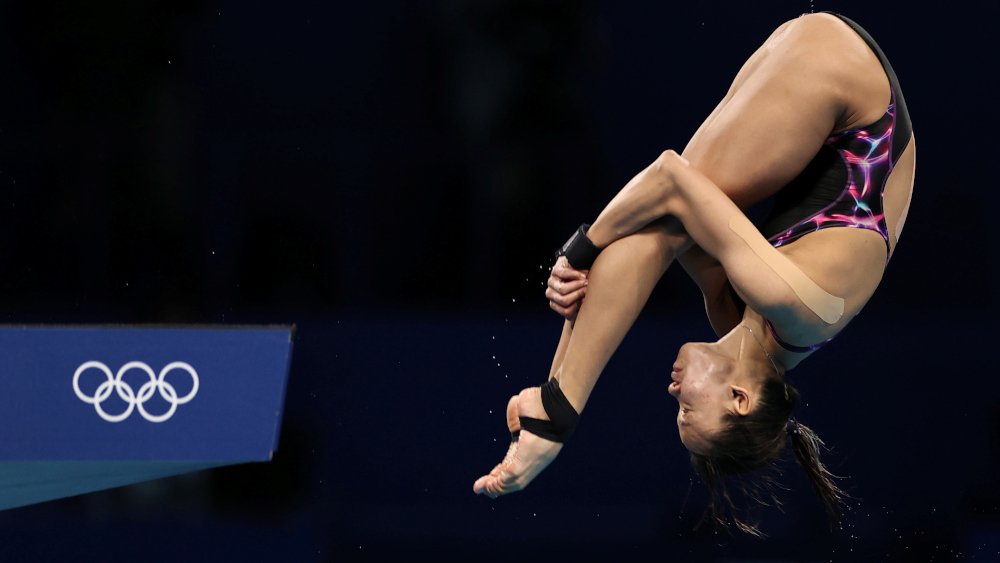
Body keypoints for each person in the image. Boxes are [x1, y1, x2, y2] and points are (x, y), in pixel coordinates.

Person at [472, 12, 915, 534]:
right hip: (856, 100)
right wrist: (579, 250)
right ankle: (557, 414)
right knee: (663, 220)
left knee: (659, 231)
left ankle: (555, 403)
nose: (672, 397)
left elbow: (654, 230)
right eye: (687, 414)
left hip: (833, 82)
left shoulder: (733, 316)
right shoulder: (794, 309)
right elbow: (668, 178)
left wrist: (561, 359)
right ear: (740, 400)